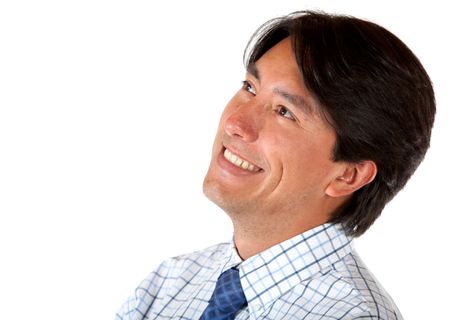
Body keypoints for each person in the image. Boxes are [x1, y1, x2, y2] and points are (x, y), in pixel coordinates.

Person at [115, 10, 435, 320]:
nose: (236, 123)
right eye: (250, 87)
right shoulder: (169, 283)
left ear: (348, 175)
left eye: (284, 111)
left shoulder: (351, 316)